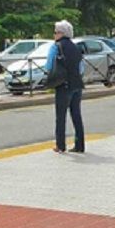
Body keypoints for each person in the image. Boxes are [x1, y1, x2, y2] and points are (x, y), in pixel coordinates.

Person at [46, 19, 85, 153]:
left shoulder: (56, 46)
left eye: (55, 32)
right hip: (77, 84)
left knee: (60, 116)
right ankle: (80, 145)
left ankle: (60, 145)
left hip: (63, 85)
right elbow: (81, 68)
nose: (54, 35)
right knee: (76, 115)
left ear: (61, 33)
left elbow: (49, 65)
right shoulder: (75, 47)